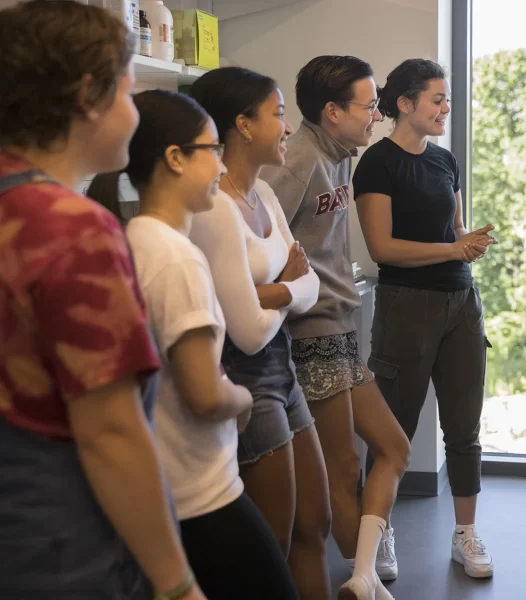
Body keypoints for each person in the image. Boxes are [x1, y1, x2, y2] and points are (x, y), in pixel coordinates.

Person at [0, 2, 203, 599]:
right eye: (128, 92)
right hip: (59, 547)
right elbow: (109, 431)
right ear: (89, 94)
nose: (135, 114)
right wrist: (176, 583)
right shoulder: (71, 228)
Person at [87, 89, 300, 599]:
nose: (222, 164)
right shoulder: (177, 258)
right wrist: (243, 398)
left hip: (172, 486)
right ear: (175, 159)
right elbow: (206, 394)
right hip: (203, 493)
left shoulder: (134, 237)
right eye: (213, 150)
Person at [261, 55, 410, 600]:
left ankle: (364, 571)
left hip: (340, 326)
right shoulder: (295, 160)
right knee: (342, 466)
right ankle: (359, 576)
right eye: (369, 105)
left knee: (394, 448)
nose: (376, 114)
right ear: (332, 111)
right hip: (309, 331)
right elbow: (260, 246)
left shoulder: (342, 155)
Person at [188, 67, 331, 599]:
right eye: (277, 113)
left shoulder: (266, 198)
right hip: (247, 379)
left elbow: (310, 282)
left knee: (315, 523)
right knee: (272, 543)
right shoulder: (216, 209)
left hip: (284, 368)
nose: (288, 126)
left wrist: (271, 293)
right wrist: (284, 290)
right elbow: (244, 332)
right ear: (243, 125)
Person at [353, 58, 497, 580]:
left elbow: (452, 229)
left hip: (462, 303)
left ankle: (466, 535)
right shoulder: (376, 163)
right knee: (394, 429)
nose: (445, 108)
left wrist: (468, 243)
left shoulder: (445, 161)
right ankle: (379, 535)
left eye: (446, 100)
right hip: (405, 306)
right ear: (406, 104)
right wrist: (452, 249)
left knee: (465, 427)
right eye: (437, 99)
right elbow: (382, 248)